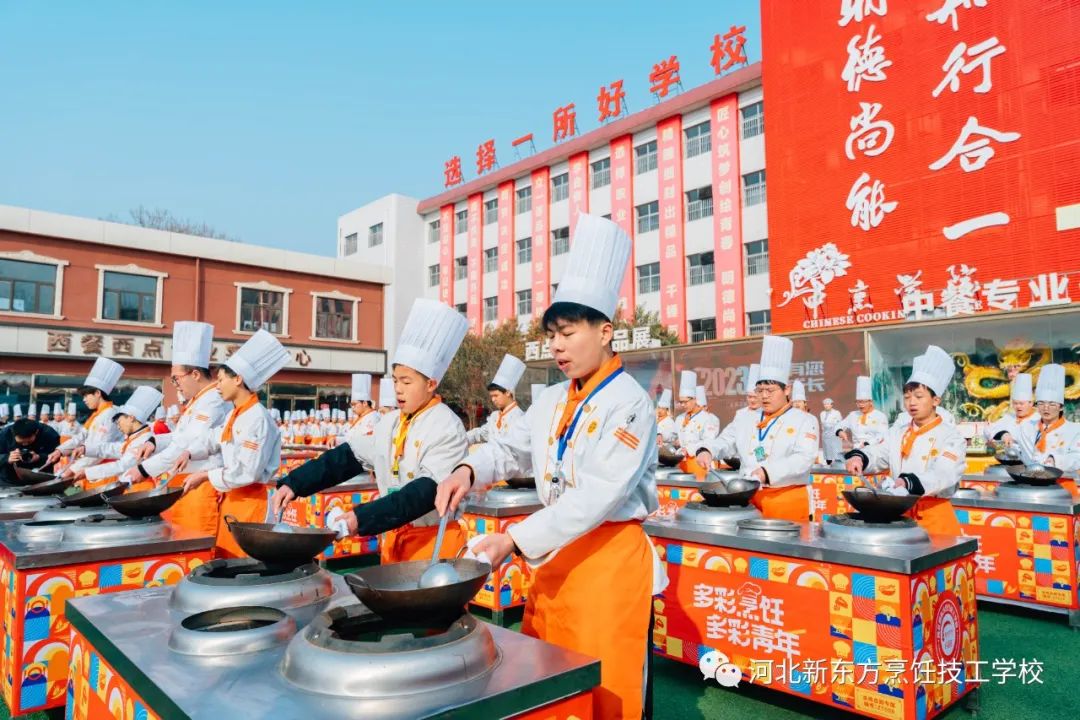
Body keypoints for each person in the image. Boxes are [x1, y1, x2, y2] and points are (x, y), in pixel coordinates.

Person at [436, 214, 661, 720]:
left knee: (608, 688)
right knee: (552, 682)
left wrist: (514, 540)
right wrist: (467, 471)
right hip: (555, 558)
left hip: (607, 562)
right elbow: (508, 447)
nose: (556, 346)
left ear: (605, 332)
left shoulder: (629, 402)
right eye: (552, 335)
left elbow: (598, 496)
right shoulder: (553, 398)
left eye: (568, 333)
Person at [271, 298, 470, 564]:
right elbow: (347, 457)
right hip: (394, 538)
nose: (398, 389)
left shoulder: (447, 427)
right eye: (395, 380)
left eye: (407, 382)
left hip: (434, 542)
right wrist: (295, 483)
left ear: (431, 383)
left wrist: (361, 518)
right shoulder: (391, 422)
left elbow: (423, 494)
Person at [180, 330, 289, 557]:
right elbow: (215, 438)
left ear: (238, 379)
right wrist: (190, 452)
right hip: (233, 499)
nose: (217, 386)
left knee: (244, 562)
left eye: (221, 380)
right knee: (227, 557)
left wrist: (206, 475)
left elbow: (248, 471)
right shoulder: (236, 414)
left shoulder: (257, 418)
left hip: (251, 502)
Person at [694, 336, 818, 522]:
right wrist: (707, 450)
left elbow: (803, 459)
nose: (764, 396)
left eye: (770, 390)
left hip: (787, 500)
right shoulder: (745, 418)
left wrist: (767, 472)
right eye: (760, 391)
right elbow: (725, 441)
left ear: (787, 390)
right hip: (748, 499)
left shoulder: (804, 420)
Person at [845, 346, 966, 535]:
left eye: (919, 396)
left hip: (934, 516)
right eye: (907, 397)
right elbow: (880, 453)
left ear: (936, 400)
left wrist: (909, 483)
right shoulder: (898, 432)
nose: (912, 402)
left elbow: (944, 473)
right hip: (899, 515)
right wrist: (860, 457)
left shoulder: (951, 436)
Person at [122, 321, 226, 537]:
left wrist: (143, 470)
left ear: (195, 374)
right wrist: (154, 442)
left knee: (196, 543)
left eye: (176, 379)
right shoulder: (197, 401)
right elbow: (179, 436)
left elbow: (184, 445)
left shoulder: (213, 401)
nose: (176, 385)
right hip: (183, 484)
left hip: (201, 487)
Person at [47, 358, 125, 475]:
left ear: (97, 393)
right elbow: (81, 436)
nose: (84, 400)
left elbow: (100, 449)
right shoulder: (97, 414)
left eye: (86, 395)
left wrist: (72, 470)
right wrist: (60, 450)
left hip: (104, 469)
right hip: (91, 466)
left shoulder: (110, 414)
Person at [78, 386, 164, 491]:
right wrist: (86, 449)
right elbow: (113, 448)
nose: (118, 427)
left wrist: (88, 472)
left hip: (141, 489)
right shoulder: (135, 438)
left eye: (119, 422)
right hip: (132, 488)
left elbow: (122, 466)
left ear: (131, 418)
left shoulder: (144, 440)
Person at [1014, 365, 1080, 473]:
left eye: (1052, 404)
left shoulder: (1074, 430)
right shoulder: (1027, 427)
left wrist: (1055, 460)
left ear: (1061, 407)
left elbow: (1077, 457)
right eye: (1041, 403)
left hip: (1062, 480)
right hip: (1031, 478)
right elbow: (1019, 450)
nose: (1046, 408)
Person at [466, 354, 526, 444]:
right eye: (491, 396)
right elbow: (481, 433)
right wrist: (462, 439)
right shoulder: (495, 416)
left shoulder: (519, 418)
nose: (493, 399)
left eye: (496, 395)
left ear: (507, 392)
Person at [674, 370, 719, 478]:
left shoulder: (707, 418)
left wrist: (689, 449)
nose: (683, 405)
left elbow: (709, 441)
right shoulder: (679, 419)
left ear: (694, 399)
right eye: (681, 402)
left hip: (700, 462)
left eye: (685, 402)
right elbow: (675, 437)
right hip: (682, 462)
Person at [0, 418, 61, 484]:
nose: (25, 444)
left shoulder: (49, 434)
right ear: (13, 434)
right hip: (9, 479)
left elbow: (57, 456)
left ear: (36, 432)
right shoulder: (4, 434)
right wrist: (6, 458)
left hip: (40, 478)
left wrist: (39, 457)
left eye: (29, 442)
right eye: (21, 442)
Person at [984, 373, 1038, 446]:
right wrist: (1003, 434)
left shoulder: (1039, 419)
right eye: (1015, 403)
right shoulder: (1009, 417)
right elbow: (989, 429)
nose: (1018, 406)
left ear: (1031, 403)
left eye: (1021, 404)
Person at [838, 376, 887, 449]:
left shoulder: (880, 416)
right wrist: (840, 431)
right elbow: (839, 425)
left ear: (870, 402)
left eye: (863, 402)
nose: (860, 405)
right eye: (858, 402)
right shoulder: (853, 415)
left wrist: (867, 443)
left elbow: (882, 435)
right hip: (856, 450)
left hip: (875, 449)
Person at [820, 398, 843, 464]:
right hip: (825, 435)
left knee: (836, 452)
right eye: (824, 404)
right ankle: (828, 464)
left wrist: (829, 425)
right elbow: (823, 424)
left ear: (831, 405)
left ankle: (838, 466)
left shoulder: (836, 413)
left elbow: (839, 424)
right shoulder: (822, 413)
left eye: (828, 404)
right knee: (827, 452)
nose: (826, 406)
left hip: (834, 435)